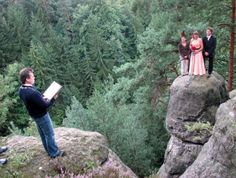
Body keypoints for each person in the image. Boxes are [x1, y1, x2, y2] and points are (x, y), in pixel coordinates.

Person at [19, 68, 65, 158]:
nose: (34, 77)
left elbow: (34, 101)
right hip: (41, 115)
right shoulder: (32, 93)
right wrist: (53, 99)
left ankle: (49, 150)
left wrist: (41, 98)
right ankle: (54, 153)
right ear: (27, 79)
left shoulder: (22, 90)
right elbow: (45, 105)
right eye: (32, 76)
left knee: (43, 134)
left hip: (35, 115)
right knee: (49, 134)